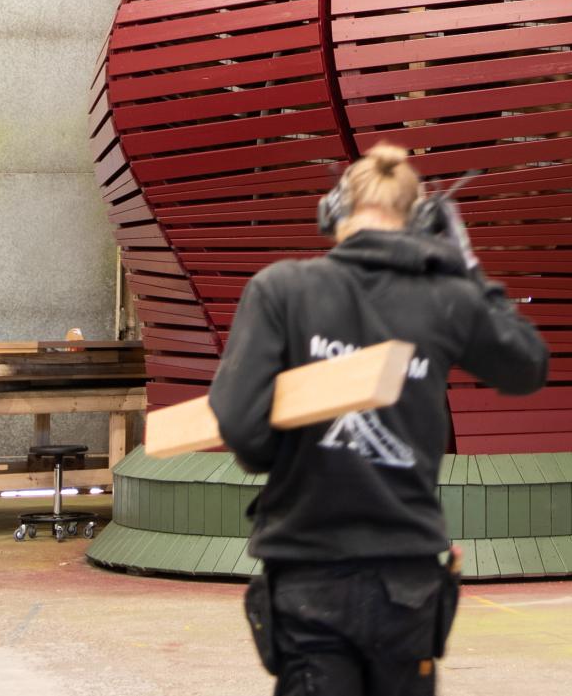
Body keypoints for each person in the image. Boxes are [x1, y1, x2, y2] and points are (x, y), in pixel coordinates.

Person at [209, 143, 550, 695]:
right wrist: (468, 269)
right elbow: (526, 367)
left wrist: (291, 453)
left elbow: (242, 429)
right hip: (407, 576)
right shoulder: (447, 299)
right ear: (418, 221)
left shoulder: (282, 290)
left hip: (307, 569)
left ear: (333, 212)